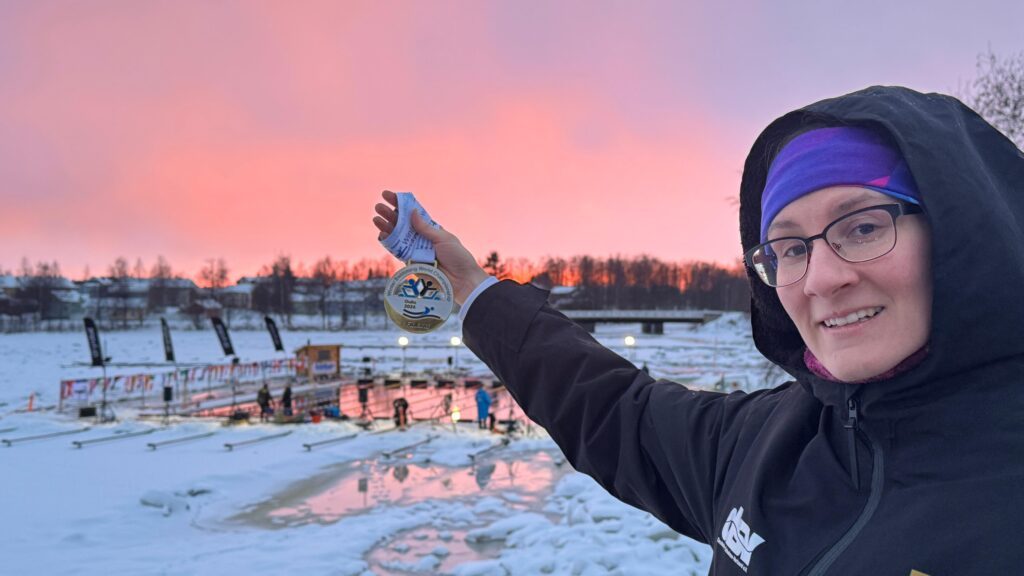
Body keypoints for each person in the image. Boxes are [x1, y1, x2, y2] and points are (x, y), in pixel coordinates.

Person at [372, 86, 1024, 573]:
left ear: (961, 230)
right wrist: (472, 289)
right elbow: (614, 408)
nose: (821, 279)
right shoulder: (769, 446)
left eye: (862, 227)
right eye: (790, 248)